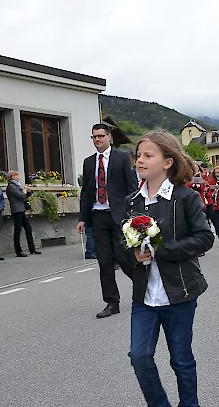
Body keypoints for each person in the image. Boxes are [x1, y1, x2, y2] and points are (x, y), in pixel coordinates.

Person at [126, 130, 213, 407]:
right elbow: (124, 246)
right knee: (139, 356)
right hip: (144, 297)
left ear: (167, 162)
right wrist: (133, 256)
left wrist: (160, 250)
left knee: (181, 360)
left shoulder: (185, 198)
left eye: (148, 155)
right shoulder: (132, 201)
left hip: (180, 293)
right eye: (138, 155)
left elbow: (204, 238)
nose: (140, 160)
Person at [77, 123, 138, 319]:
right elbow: (86, 191)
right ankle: (112, 303)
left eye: (101, 136)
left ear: (109, 137)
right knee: (104, 261)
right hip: (98, 215)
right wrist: (82, 218)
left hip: (119, 215)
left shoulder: (122, 158)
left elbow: (132, 187)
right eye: (94, 137)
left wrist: (134, 214)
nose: (97, 140)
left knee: (123, 257)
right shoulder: (88, 162)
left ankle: (143, 286)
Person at [6, 171, 40, 258]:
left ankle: (32, 248)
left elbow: (24, 197)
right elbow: (20, 196)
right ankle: (18, 251)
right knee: (17, 230)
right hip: (17, 210)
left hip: (22, 209)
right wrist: (24, 191)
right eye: (16, 175)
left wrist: (29, 192)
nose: (18, 177)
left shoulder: (17, 185)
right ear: (12, 177)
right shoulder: (11, 186)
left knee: (28, 229)